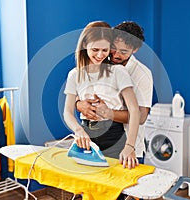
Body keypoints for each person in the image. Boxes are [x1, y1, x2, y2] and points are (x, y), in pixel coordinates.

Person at [63, 21, 140, 169]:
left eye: (105, 50)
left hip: (114, 137)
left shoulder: (118, 72)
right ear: (85, 45)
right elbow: (67, 111)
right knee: (86, 187)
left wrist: (130, 146)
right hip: (86, 137)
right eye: (95, 49)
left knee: (115, 187)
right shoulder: (74, 75)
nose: (100, 55)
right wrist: (78, 130)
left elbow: (134, 110)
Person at [76, 21, 153, 164]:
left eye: (123, 52)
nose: (116, 55)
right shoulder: (102, 63)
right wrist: (79, 104)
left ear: (135, 49)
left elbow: (141, 116)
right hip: (98, 142)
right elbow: (82, 92)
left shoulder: (142, 75)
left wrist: (109, 113)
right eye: (113, 48)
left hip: (129, 148)